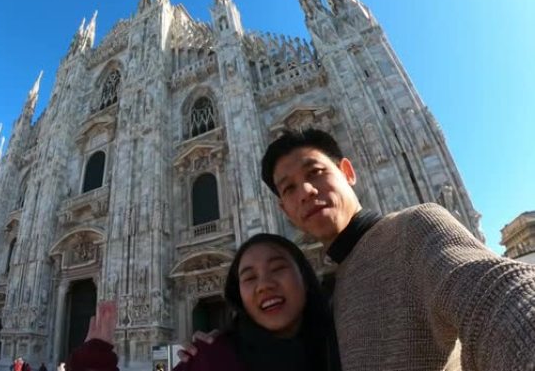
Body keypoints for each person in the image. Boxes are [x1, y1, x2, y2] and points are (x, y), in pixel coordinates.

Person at [183, 128, 535, 370]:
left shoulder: (413, 229)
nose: (304, 191)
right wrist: (222, 350)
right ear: (283, 209)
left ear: (347, 172)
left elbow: (497, 295)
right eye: (288, 188)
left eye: (316, 172)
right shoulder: (328, 297)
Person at [67, 233, 339, 371]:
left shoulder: (355, 344)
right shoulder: (211, 359)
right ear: (237, 296)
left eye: (278, 268)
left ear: (305, 275)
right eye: (248, 277)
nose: (264, 285)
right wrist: (95, 360)